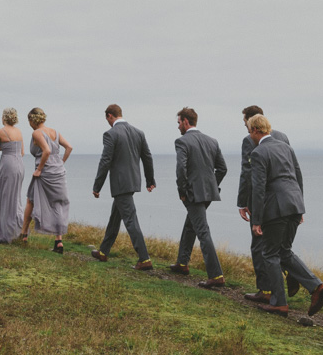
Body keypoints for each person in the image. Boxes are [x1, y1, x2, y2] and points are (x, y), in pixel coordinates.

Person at [247, 114, 323, 317]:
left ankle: (279, 303)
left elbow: (258, 188)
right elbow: (298, 176)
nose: (250, 136)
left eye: (250, 131)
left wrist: (256, 220)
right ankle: (317, 287)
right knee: (284, 251)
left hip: (276, 208)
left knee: (270, 253)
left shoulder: (258, 153)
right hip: (294, 204)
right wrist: (299, 206)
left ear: (256, 131)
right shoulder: (286, 147)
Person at [237, 105, 295, 303]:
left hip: (261, 201)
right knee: (278, 246)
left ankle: (265, 289)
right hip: (286, 201)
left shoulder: (249, 140)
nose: (244, 126)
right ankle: (289, 273)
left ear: (251, 122)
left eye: (244, 121)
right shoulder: (284, 137)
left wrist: (242, 202)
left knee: (258, 245)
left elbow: (248, 173)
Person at [91, 103, 156, 270]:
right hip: (133, 181)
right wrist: (150, 180)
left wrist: (97, 186)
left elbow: (105, 161)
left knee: (130, 220)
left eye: (107, 119)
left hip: (120, 183)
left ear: (109, 116)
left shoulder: (111, 134)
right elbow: (147, 157)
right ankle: (104, 252)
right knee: (115, 217)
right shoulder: (138, 132)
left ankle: (144, 259)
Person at [169, 107, 228, 288]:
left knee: (202, 231)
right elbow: (223, 168)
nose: (178, 126)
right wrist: (210, 184)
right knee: (191, 225)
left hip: (193, 193)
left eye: (179, 122)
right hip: (209, 192)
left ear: (186, 121)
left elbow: (181, 170)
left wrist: (183, 191)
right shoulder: (212, 141)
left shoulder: (182, 142)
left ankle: (216, 275)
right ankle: (182, 263)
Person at [20, 107, 71, 253]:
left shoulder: (37, 133)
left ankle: (24, 234)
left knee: (31, 199)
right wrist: (61, 163)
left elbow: (47, 150)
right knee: (58, 204)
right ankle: (58, 241)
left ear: (32, 120)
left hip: (45, 173)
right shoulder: (55, 131)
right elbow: (69, 147)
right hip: (59, 172)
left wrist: (39, 169)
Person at [0, 108, 25, 243]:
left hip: (8, 164)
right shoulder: (19, 132)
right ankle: (17, 231)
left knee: (5, 197)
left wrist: (1, 148)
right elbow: (22, 152)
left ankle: (6, 236)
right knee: (15, 198)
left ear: (4, 118)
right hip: (20, 164)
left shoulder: (0, 132)